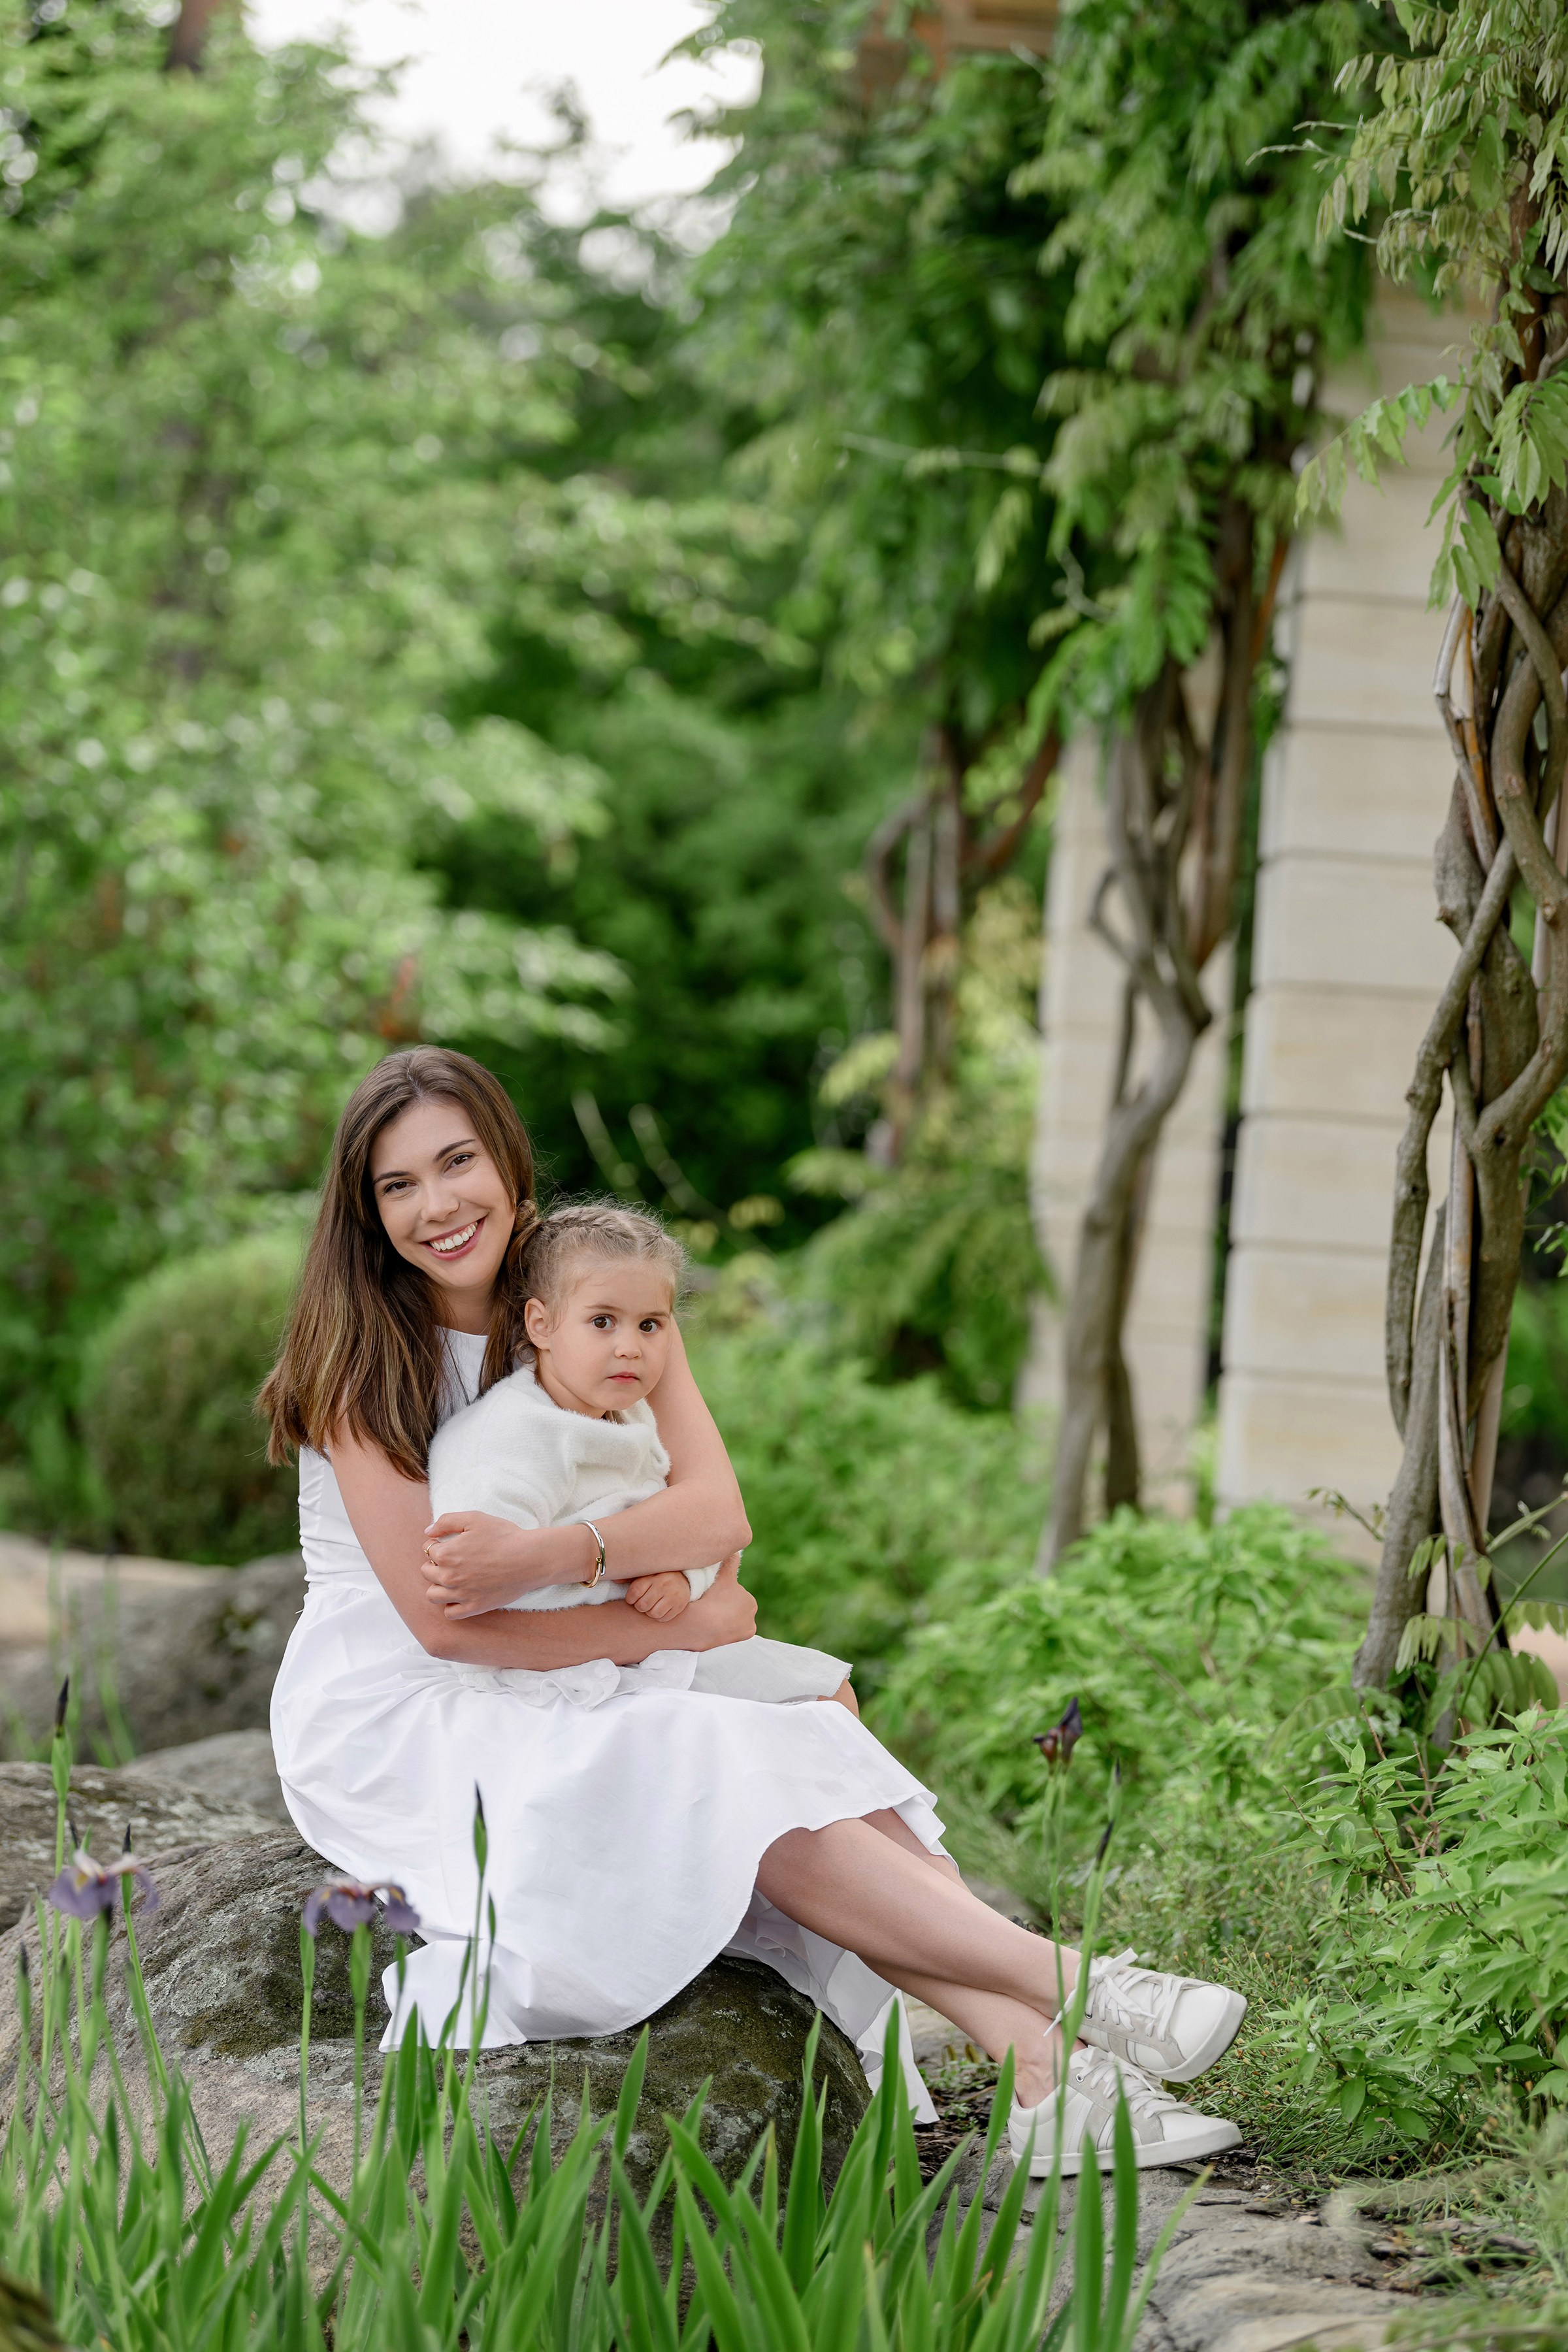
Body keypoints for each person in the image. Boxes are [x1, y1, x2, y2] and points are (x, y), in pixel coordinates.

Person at [263, 1045, 1247, 2176]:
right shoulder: (355, 1362)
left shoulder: (599, 1289)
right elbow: (445, 1625)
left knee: (808, 1713)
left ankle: (1039, 2074)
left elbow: (716, 1512)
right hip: (410, 1704)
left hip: (560, 1649)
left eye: (456, 1162)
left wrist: (562, 1551)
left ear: (507, 1162)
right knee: (709, 1748)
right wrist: (675, 1630)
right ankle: (1077, 1994)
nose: (437, 1205)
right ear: (365, 1210)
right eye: (398, 1186)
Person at [424, 1198, 857, 1708]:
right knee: (813, 1702)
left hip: (641, 1645)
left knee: (831, 1693)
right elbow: (493, 1586)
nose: (630, 1346)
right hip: (552, 1671)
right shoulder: (513, 1437)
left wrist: (680, 1577)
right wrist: (637, 1575)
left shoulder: (630, 1417)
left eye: (649, 1326)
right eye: (603, 1322)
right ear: (541, 1325)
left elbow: (707, 1545)